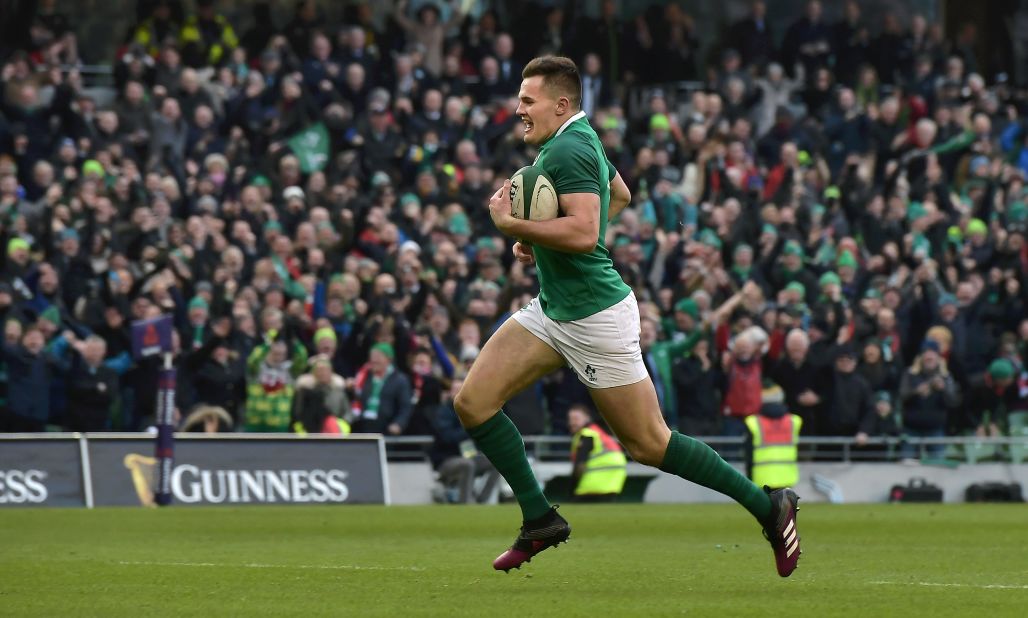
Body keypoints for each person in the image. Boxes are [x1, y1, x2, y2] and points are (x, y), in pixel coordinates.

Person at [455, 56, 801, 576]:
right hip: (555, 310)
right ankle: (538, 518)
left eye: (528, 100)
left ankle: (769, 507)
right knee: (474, 403)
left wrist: (514, 228)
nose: (519, 109)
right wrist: (541, 244)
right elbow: (619, 195)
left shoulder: (569, 147)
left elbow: (585, 233)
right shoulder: (575, 139)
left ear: (561, 104)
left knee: (649, 444)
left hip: (595, 317)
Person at [567, 404, 626, 502]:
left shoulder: (587, 434)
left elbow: (580, 464)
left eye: (576, 419)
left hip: (595, 483)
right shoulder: (597, 431)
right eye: (570, 419)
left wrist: (571, 490)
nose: (572, 422)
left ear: (587, 418)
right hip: (614, 480)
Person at [744, 402, 802, 490]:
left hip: (761, 477)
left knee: (763, 504)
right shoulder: (793, 421)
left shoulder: (753, 422)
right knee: (784, 503)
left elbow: (748, 453)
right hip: (787, 477)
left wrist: (749, 476)